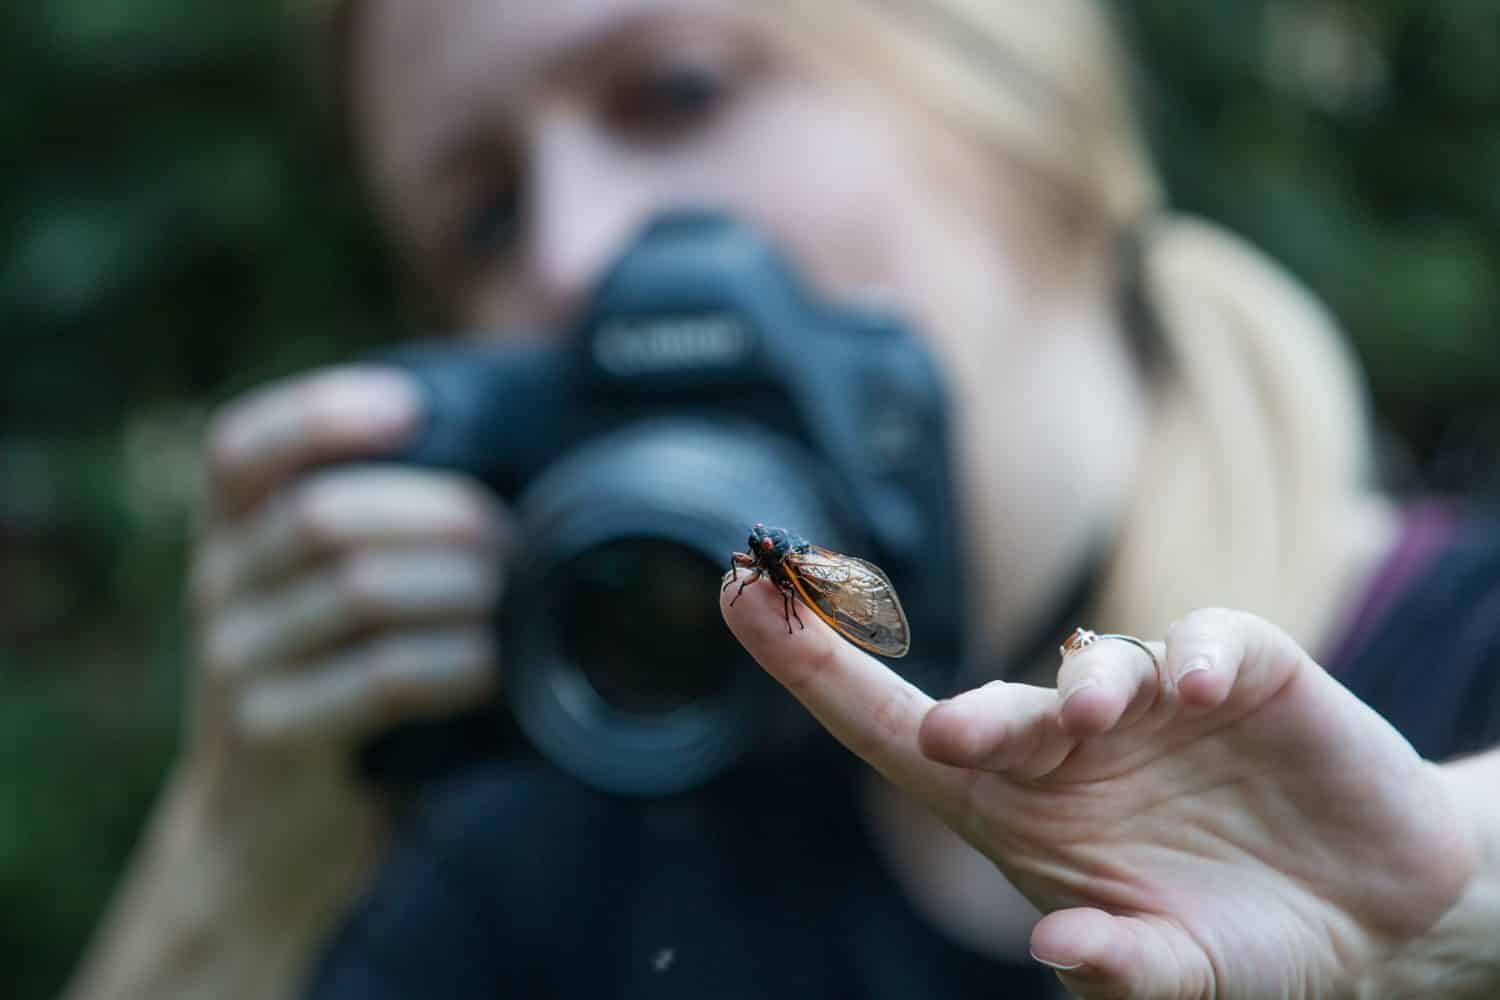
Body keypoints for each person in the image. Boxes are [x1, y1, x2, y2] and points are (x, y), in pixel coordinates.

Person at [65, 1, 1500, 997]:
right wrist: (240, 868)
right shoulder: (543, 873)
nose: (571, 252)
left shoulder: (1469, 648)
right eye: (482, 215)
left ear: (1022, 83)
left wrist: (1444, 913)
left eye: (675, 89)